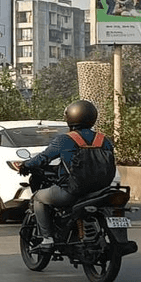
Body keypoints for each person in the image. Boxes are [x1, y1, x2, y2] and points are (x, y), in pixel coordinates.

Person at [17, 100, 115, 251]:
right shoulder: (103, 140)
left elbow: (43, 158)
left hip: (73, 191)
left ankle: (47, 239)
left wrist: (26, 165)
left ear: (70, 117)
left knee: (38, 198)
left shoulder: (65, 139)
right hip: (101, 191)